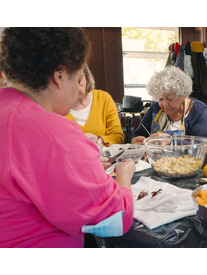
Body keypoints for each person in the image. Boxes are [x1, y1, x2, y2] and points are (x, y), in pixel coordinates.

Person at [0, 27, 135, 248]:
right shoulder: (52, 132)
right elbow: (114, 220)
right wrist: (124, 176)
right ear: (60, 75)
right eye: (79, 77)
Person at [131, 66, 207, 144]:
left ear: (183, 95)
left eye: (170, 99)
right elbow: (138, 134)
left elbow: (205, 145)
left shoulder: (199, 112)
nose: (164, 104)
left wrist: (172, 141)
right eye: (160, 99)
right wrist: (136, 140)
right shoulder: (155, 109)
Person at [65, 64, 124, 146]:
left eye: (79, 81)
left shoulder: (103, 99)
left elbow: (118, 137)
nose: (74, 87)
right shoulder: (58, 106)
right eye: (69, 83)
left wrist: (98, 139)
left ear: (87, 78)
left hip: (104, 157)